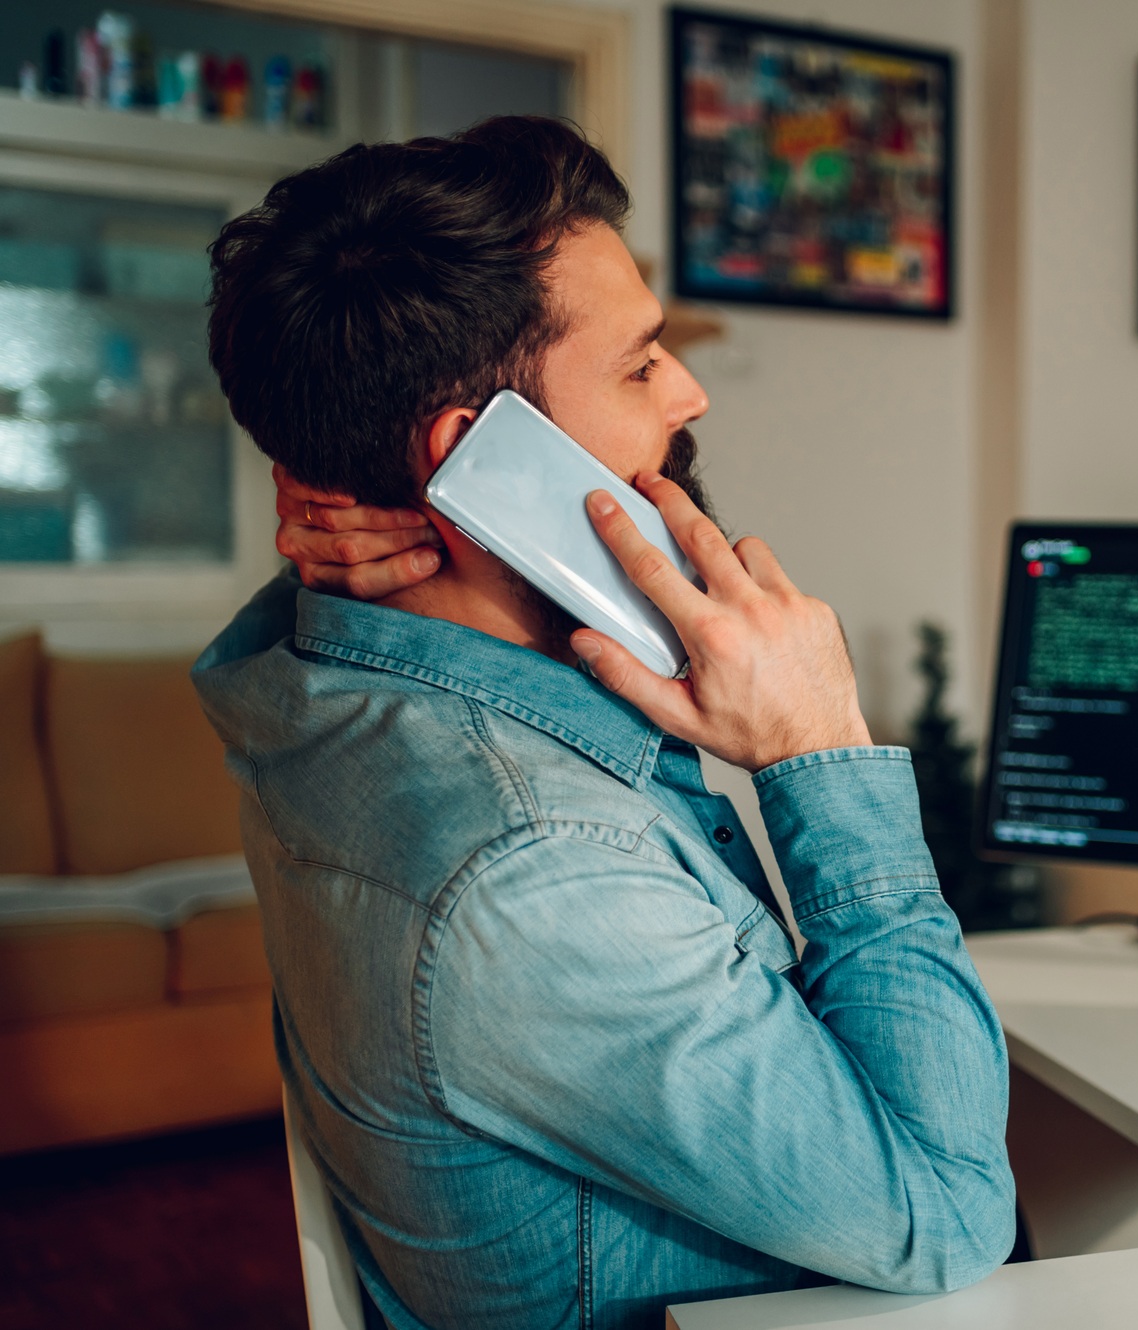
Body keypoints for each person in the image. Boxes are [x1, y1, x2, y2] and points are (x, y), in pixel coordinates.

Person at [192, 117, 1015, 1329]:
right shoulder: (541, 873)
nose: (687, 393)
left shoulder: (308, 682)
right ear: (474, 461)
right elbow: (945, 1221)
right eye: (638, 366)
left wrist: (359, 495)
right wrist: (819, 747)